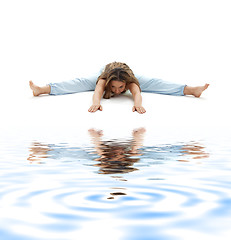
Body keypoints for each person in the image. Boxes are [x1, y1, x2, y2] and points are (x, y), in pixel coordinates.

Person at [29, 61, 209, 114]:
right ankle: (42, 89)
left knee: (156, 83)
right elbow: (98, 90)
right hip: (107, 71)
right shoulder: (104, 80)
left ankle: (192, 90)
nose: (116, 91)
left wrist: (138, 104)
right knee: (79, 82)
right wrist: (96, 103)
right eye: (113, 88)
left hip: (126, 72)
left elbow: (137, 92)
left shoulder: (131, 81)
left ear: (126, 84)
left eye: (120, 88)